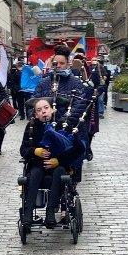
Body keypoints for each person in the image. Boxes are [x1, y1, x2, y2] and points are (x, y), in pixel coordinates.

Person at [19, 98, 84, 233]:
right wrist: (34, 151)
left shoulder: (63, 125)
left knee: (59, 172)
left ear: (52, 109)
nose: (43, 111)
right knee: (35, 173)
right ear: (36, 114)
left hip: (59, 166)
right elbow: (23, 150)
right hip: (38, 166)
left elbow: (76, 150)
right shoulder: (31, 127)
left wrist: (59, 160)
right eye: (39, 110)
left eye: (46, 108)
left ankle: (50, 213)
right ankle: (28, 214)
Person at [33, 45, 93, 182]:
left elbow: (79, 106)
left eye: (61, 63)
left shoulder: (76, 83)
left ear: (68, 64)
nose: (58, 66)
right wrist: (41, 117)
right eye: (55, 63)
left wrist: (60, 122)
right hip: (47, 133)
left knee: (70, 173)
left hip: (70, 133)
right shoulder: (43, 83)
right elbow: (34, 104)